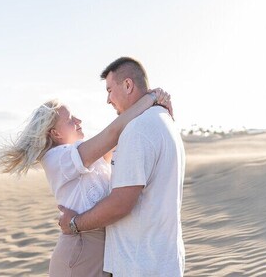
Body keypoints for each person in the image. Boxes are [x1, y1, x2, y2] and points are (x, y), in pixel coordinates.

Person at [0, 87, 172, 276]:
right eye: (70, 120)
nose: (79, 121)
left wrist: (154, 106)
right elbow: (113, 133)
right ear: (55, 134)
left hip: (100, 250)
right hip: (81, 250)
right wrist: (151, 97)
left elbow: (120, 134)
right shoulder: (58, 158)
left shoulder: (84, 155)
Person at [58, 57, 186, 277]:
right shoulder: (165, 120)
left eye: (109, 90)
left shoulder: (138, 129)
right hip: (163, 261)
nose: (108, 100)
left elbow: (121, 203)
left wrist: (73, 224)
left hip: (141, 266)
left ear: (128, 85)